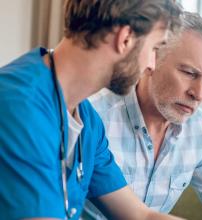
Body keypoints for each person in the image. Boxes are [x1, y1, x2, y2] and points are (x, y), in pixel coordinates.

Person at [0, 0, 184, 219]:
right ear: (125, 39)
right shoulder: (19, 107)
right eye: (154, 48)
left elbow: (140, 215)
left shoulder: (87, 120)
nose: (152, 65)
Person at [88, 11, 202, 220]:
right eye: (189, 73)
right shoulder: (95, 115)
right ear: (153, 57)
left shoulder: (198, 127)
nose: (198, 93)